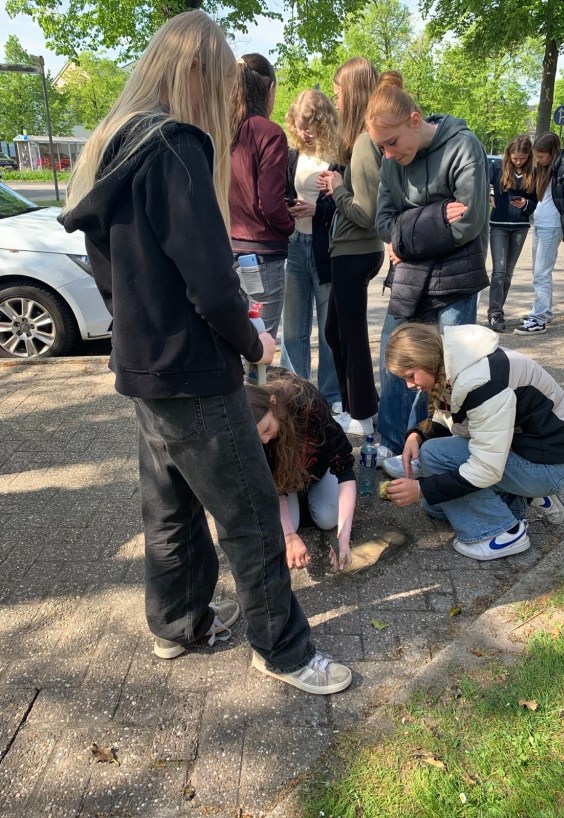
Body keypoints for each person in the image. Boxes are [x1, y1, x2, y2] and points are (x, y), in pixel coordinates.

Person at [60, 11, 351, 695]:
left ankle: (178, 624)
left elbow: (107, 271)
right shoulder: (175, 145)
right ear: (195, 73)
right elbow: (211, 280)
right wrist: (253, 340)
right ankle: (281, 649)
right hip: (194, 372)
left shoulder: (112, 144)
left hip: (143, 367)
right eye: (223, 84)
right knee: (250, 516)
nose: (228, 100)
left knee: (169, 509)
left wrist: (148, 324)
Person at [365, 72, 489, 468]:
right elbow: (383, 221)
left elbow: (468, 222)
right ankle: (391, 440)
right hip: (411, 277)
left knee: (449, 366)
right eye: (379, 146)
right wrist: (436, 217)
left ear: (415, 121)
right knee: (399, 357)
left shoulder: (462, 145)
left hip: (456, 277)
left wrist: (407, 232)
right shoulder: (392, 161)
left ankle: (438, 445)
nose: (387, 153)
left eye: (392, 142)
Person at [383, 323, 564, 561]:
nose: (409, 385)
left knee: (435, 458)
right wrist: (417, 435)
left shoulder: (482, 382)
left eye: (409, 375)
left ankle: (503, 533)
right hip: (530, 452)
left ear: (426, 359)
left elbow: (485, 468)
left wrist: (421, 489)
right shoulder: (455, 360)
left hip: (550, 466)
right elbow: (452, 415)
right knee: (435, 506)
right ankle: (520, 498)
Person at [317, 57, 384, 437]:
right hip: (352, 251)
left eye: (340, 92)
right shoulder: (361, 141)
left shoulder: (362, 143)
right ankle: (356, 408)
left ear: (354, 93)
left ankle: (361, 413)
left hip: (355, 251)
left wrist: (336, 189)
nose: (336, 99)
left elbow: (366, 213)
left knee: (351, 336)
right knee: (335, 332)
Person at [246, 368, 356, 571]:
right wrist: (289, 536)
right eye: (257, 437)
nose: (264, 440)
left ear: (273, 403)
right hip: (283, 484)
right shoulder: (251, 427)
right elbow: (269, 482)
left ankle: (305, 498)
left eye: (267, 429)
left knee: (327, 519)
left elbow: (345, 471)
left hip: (318, 470)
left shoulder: (310, 406)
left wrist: (344, 538)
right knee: (290, 527)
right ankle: (298, 503)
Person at [280, 89, 342, 412]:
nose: (303, 131)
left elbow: (348, 207)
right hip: (293, 245)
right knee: (293, 328)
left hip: (325, 248)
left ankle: (331, 396)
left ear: (323, 120)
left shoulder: (338, 155)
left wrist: (317, 209)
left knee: (329, 327)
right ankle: (294, 392)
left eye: (309, 124)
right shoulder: (292, 154)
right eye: (298, 124)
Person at [229, 53, 295, 339]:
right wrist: (288, 224)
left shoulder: (221, 130)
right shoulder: (269, 133)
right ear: (270, 89)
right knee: (262, 346)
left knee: (237, 342)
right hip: (262, 255)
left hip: (226, 251)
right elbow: (269, 201)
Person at [515, 131, 564, 336]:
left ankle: (538, 319)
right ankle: (543, 312)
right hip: (541, 224)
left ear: (552, 152)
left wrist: (563, 223)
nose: (537, 161)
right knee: (539, 272)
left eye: (541, 157)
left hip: (551, 226)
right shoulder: (548, 166)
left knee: (541, 273)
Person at [487, 135, 537, 332]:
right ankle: (494, 314)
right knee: (498, 271)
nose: (518, 161)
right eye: (515, 158)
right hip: (498, 224)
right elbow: (482, 185)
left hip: (520, 226)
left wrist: (526, 204)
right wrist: (490, 194)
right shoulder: (498, 169)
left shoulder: (533, 173)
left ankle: (499, 310)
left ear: (528, 157)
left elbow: (536, 201)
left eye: (522, 158)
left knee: (507, 274)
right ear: (509, 155)